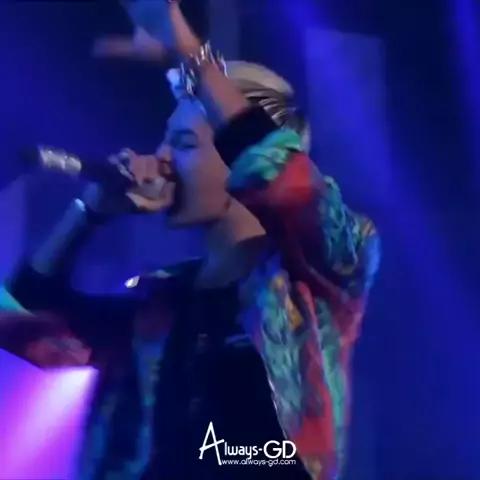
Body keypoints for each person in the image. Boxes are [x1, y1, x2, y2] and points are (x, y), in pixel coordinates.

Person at [0, 1, 380, 479]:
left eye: (181, 144)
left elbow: (282, 175)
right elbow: (24, 319)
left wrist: (187, 50)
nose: (159, 159)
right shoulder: (161, 304)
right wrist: (89, 211)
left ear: (236, 158)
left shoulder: (327, 270)